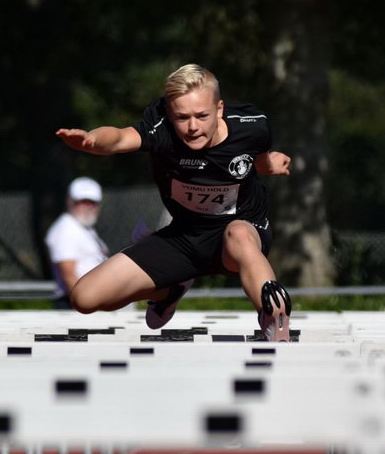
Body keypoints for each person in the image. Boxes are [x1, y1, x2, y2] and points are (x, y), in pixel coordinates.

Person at [55, 64, 293, 341]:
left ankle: (274, 318)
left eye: (202, 116)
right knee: (84, 298)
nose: (193, 127)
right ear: (170, 114)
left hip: (241, 235)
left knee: (238, 232)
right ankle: (171, 290)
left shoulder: (252, 126)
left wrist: (268, 164)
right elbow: (119, 138)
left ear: (219, 109)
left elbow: (258, 158)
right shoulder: (161, 129)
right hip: (185, 238)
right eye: (182, 117)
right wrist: (92, 141)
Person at [44, 177, 109, 308]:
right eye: (82, 201)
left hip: (87, 302)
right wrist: (88, 306)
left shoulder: (84, 228)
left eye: (93, 202)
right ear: (70, 201)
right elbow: (68, 274)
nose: (88, 206)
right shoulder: (66, 229)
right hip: (75, 305)